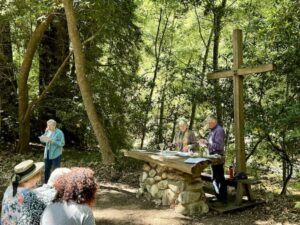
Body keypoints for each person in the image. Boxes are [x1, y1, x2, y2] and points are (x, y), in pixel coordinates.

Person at [1, 160, 46, 225]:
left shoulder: (9, 189)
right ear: (32, 178)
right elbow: (41, 214)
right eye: (37, 178)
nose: (38, 180)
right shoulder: (28, 195)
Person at [199, 117, 227, 203]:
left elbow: (219, 146)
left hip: (218, 156)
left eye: (209, 123)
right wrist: (205, 143)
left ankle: (222, 198)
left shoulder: (219, 130)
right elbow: (212, 143)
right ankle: (218, 196)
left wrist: (207, 143)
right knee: (215, 177)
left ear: (214, 122)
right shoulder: (212, 130)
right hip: (213, 156)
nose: (208, 125)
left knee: (219, 177)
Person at [40, 119, 65, 183]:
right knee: (46, 169)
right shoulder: (48, 131)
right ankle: (46, 183)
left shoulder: (59, 132)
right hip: (47, 153)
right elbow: (42, 140)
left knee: (56, 170)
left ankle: (56, 184)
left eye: (50, 126)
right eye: (47, 125)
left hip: (56, 153)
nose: (48, 127)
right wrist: (44, 135)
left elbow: (62, 143)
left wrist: (54, 142)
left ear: (54, 125)